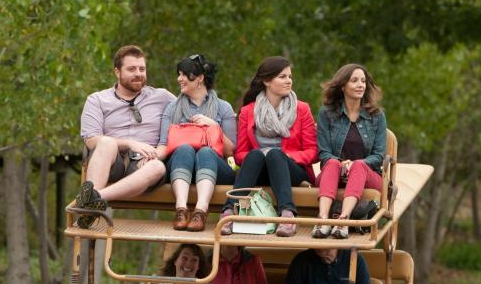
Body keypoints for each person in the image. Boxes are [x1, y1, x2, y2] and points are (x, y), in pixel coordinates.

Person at [75, 45, 176, 228]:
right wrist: (129, 143)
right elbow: (91, 140)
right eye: (131, 69)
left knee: (158, 167)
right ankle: (91, 204)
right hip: (112, 161)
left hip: (143, 164)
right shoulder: (97, 100)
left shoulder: (162, 97)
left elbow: (189, 112)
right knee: (105, 142)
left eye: (142, 69)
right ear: (117, 71)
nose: (138, 73)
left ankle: (93, 200)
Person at [220, 56, 318, 237]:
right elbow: (240, 153)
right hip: (259, 170)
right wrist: (260, 154)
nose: (289, 81)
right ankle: (229, 213)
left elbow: (312, 152)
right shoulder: (248, 111)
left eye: (290, 76)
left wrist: (288, 157)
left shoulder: (302, 109)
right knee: (256, 155)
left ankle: (287, 216)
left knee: (275, 155)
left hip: (291, 169)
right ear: (266, 81)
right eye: (282, 77)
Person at [155, 54, 237, 232]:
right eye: (179, 74)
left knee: (205, 152)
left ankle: (200, 211)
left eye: (185, 75)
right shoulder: (172, 108)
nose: (179, 79)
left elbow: (230, 150)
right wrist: (149, 158)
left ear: (200, 78)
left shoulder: (223, 108)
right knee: (185, 149)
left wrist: (214, 126)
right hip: (180, 165)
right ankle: (181, 210)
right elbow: (163, 144)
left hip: (214, 167)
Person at [314, 64, 387, 239]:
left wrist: (354, 165)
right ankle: (323, 220)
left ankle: (343, 221)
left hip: (367, 175)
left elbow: (378, 156)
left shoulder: (377, 116)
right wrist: (341, 164)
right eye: (354, 81)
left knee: (360, 166)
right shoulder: (327, 113)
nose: (360, 85)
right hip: (334, 174)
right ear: (342, 85)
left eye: (363, 81)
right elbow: (323, 153)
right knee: (331, 162)